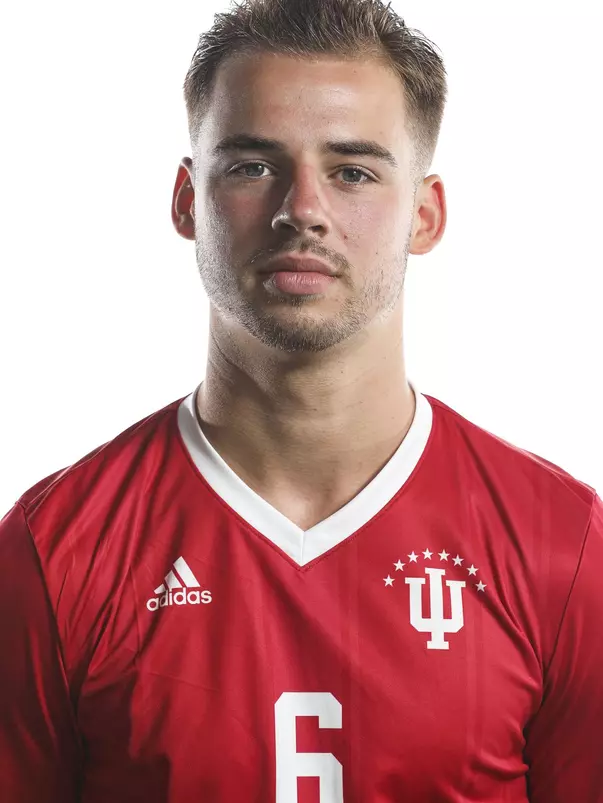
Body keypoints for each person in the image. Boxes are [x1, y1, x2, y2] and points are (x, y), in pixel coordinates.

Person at [1, 0, 601, 800]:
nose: (302, 210)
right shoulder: (57, 550)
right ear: (186, 200)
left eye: (352, 171)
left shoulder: (560, 544)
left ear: (424, 215)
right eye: (253, 166)